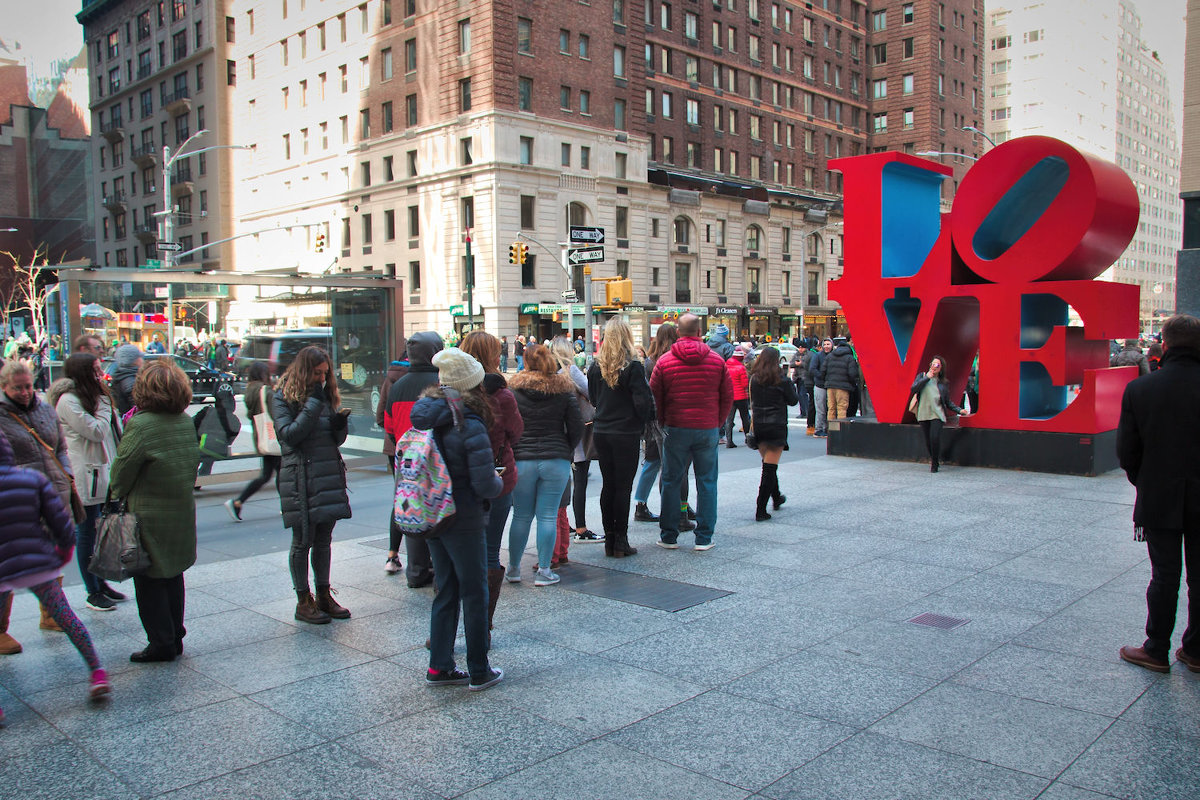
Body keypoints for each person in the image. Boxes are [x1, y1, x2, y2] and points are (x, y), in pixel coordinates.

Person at [409, 348, 505, 690]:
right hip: (463, 517)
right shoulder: (469, 421)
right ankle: (479, 669)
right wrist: (498, 479)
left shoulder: (429, 415)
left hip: (434, 512)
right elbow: (483, 483)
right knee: (475, 591)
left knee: (446, 589)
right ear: (472, 385)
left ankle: (439, 667)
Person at [0, 428, 110, 719]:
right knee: (65, 617)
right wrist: (63, 552)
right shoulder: (31, 479)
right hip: (37, 564)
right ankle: (97, 672)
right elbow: (61, 521)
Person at [1116, 314, 1200, 674]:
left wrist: (1146, 481)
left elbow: (1127, 452)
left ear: (1163, 344)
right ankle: (1195, 650)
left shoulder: (1141, 389)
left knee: (1164, 575)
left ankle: (1156, 649)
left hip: (1159, 498)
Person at [108, 359, 201, 661]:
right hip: (181, 511)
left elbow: (120, 476)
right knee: (173, 575)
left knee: (149, 581)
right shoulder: (185, 420)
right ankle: (175, 635)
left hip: (147, 516)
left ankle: (161, 643)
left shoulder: (141, 425)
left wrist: (118, 493)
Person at [271, 346, 353, 625]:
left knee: (323, 540)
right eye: (317, 373)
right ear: (305, 371)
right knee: (302, 539)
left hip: (326, 473)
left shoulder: (324, 395)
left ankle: (324, 594)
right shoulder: (282, 396)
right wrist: (314, 404)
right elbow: (289, 436)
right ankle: (303, 600)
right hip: (300, 477)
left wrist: (339, 425)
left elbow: (335, 439)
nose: (321, 379)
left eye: (325, 374)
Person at [0, 360, 79, 634]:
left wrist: (66, 475)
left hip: (53, 492)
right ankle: (0, 629)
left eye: (29, 386)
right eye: (17, 388)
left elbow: (60, 448)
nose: (25, 392)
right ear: (4, 387)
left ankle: (50, 614)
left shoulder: (45, 409)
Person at [649, 313, 733, 551]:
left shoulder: (664, 362)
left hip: (675, 428)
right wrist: (716, 422)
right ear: (699, 333)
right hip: (706, 428)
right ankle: (704, 537)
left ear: (678, 332)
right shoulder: (717, 361)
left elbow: (655, 398)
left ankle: (669, 535)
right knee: (707, 482)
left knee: (671, 480)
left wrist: (665, 421)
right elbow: (727, 396)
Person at [458, 331, 523, 634]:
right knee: (489, 552)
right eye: (497, 352)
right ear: (489, 357)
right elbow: (515, 432)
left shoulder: (452, 390)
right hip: (496, 478)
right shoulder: (501, 394)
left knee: (456, 554)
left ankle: (449, 624)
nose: (501, 356)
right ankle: (481, 624)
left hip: (459, 480)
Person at [51, 354, 125, 612]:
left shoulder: (95, 397)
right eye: (94, 370)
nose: (100, 373)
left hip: (106, 471)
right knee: (87, 533)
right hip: (86, 476)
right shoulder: (68, 402)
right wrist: (105, 407)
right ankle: (92, 590)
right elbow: (96, 431)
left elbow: (113, 432)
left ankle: (101, 582)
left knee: (104, 533)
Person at [506, 344, 583, 586]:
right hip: (555, 459)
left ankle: (514, 570)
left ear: (525, 362)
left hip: (522, 459)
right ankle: (545, 571)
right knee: (548, 516)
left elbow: (508, 426)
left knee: (521, 516)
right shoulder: (563, 389)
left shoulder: (514, 390)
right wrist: (566, 447)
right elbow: (577, 425)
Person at [588, 318, 654, 558]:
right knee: (623, 487)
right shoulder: (633, 367)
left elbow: (594, 399)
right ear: (627, 337)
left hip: (602, 431)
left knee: (609, 485)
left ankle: (610, 539)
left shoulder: (596, 366)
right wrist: (641, 422)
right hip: (625, 432)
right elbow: (643, 402)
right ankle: (621, 540)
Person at [384, 332, 444, 584]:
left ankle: (416, 571)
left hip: (406, 459)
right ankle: (440, 571)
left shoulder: (397, 387)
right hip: (438, 458)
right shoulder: (441, 382)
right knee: (439, 512)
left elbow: (387, 425)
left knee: (412, 509)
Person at [551, 336, 600, 549]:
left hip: (556, 434)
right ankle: (581, 528)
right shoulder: (571, 371)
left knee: (562, 482)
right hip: (577, 432)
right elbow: (592, 393)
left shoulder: (549, 373)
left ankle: (565, 524)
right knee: (580, 479)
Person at [224, 362, 280, 522]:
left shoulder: (250, 391)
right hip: (272, 437)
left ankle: (238, 502)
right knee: (279, 473)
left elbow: (250, 415)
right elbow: (275, 413)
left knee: (268, 474)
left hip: (261, 437)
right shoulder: (265, 390)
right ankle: (287, 505)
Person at [633, 324, 677, 523]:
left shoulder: (649, 362)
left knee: (652, 462)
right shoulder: (673, 360)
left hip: (653, 420)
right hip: (670, 418)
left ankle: (640, 504)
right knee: (673, 465)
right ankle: (676, 504)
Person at [749, 346, 799, 521]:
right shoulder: (782, 380)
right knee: (769, 468)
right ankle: (760, 509)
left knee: (769, 464)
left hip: (760, 427)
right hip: (776, 425)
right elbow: (793, 401)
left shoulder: (754, 379)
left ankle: (776, 497)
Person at [375, 352, 410, 573]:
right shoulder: (428, 380)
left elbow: (381, 417)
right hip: (422, 449)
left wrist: (396, 437)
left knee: (400, 498)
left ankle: (392, 554)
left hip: (395, 448)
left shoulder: (391, 380)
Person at [909, 355, 969, 473]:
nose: (934, 366)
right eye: (933, 364)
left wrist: (959, 410)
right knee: (928, 440)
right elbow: (914, 389)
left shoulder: (943, 383)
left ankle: (934, 465)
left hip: (937, 414)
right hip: (923, 413)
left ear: (941, 368)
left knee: (934, 437)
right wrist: (927, 378)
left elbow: (947, 402)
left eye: (937, 365)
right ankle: (935, 459)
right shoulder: (922, 376)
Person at [822, 337, 860, 424]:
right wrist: (852, 384)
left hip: (830, 386)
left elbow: (823, 371)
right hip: (843, 387)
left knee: (831, 408)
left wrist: (826, 381)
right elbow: (852, 374)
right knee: (842, 408)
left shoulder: (830, 356)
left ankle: (831, 430)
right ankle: (840, 430)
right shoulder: (849, 358)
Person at [722, 345, 752, 448]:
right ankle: (748, 439)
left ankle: (729, 441)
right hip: (741, 397)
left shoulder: (725, 366)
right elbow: (744, 384)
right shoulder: (741, 368)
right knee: (745, 418)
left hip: (729, 396)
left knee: (729, 420)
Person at [109, 344, 143, 417]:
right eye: (139, 357)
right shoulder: (131, 381)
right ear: (134, 360)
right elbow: (138, 409)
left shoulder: (120, 376)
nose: (142, 360)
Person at [811, 338, 833, 437]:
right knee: (821, 409)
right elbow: (812, 369)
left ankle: (826, 428)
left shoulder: (834, 356)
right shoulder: (818, 356)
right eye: (825, 344)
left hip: (831, 385)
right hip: (820, 385)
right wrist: (821, 376)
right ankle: (819, 429)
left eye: (828, 344)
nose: (826, 346)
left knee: (830, 409)